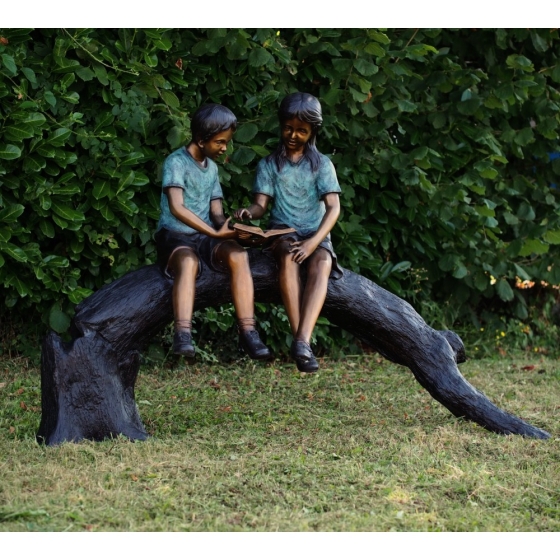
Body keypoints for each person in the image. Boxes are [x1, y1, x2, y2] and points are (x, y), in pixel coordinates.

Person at [234, 92, 342, 373]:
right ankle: (302, 343)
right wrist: (249, 212)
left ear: (313, 131)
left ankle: (302, 340)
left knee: (323, 263)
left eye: (302, 131)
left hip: (316, 234)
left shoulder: (322, 165)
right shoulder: (269, 164)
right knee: (287, 258)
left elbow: (333, 209)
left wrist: (314, 243)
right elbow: (261, 205)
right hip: (282, 232)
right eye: (288, 128)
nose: (293, 135)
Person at [155, 103, 271, 360]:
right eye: (220, 142)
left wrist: (235, 228)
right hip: (176, 235)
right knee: (188, 262)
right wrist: (214, 232)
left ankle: (248, 331)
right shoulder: (176, 162)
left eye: (226, 142)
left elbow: (216, 213)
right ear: (200, 139)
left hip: (206, 236)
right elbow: (177, 207)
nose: (224, 148)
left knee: (239, 256)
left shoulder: (213, 169)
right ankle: (183, 333)